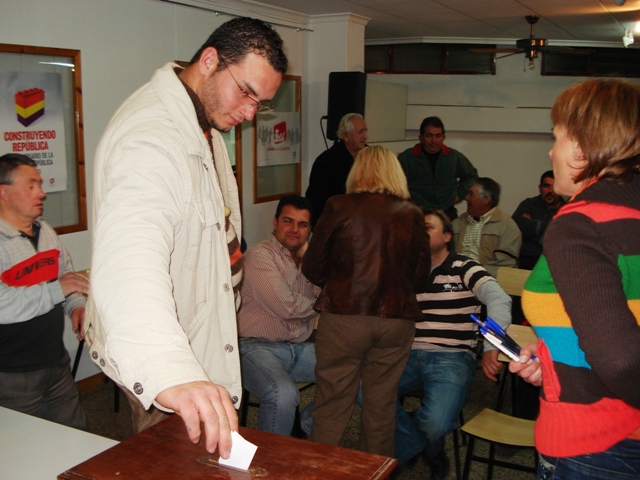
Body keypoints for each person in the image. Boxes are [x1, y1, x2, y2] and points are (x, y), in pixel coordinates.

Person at [85, 17, 288, 456]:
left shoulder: (203, 121)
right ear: (210, 60)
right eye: (247, 92)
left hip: (205, 326)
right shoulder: (150, 139)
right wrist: (172, 370)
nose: (251, 112)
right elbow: (128, 265)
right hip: (171, 348)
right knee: (175, 462)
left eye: (262, 102)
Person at [511, 79, 640, 479]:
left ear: (583, 146)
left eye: (557, 137)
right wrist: (555, 357)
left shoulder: (580, 223)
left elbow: (619, 360)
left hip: (595, 443)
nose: (551, 151)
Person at [302, 145, 430, 457]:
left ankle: (320, 473)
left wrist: (339, 284)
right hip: (397, 321)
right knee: (382, 406)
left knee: (333, 402)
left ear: (358, 171)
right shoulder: (413, 213)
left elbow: (313, 266)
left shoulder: (339, 206)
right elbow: (420, 276)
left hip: (345, 317)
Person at [394, 208, 511, 479]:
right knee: (364, 388)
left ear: (447, 236)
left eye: (427, 227)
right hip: (407, 355)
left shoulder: (464, 267)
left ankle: (422, 441)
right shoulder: (405, 271)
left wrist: (493, 346)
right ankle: (416, 446)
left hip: (452, 357)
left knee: (436, 423)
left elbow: (499, 300)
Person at [0, 153, 89, 430]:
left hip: (55, 363)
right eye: (31, 185)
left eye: (39, 183)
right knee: (20, 450)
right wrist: (58, 290)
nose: (42, 192)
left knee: (77, 438)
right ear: (3, 192)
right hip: (12, 375)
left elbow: (66, 276)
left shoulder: (45, 231)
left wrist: (75, 305)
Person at [237, 195, 320, 437]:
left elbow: (329, 290)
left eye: (303, 224)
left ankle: (300, 431)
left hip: (299, 346)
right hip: (255, 348)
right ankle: (272, 465)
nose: (295, 229)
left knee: (351, 374)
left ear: (310, 229)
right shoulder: (259, 256)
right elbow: (289, 308)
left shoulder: (309, 259)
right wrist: (322, 302)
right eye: (288, 221)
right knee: (283, 393)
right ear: (275, 223)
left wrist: (313, 265)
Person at [398, 116, 477, 220]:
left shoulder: (453, 156)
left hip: (447, 213)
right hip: (416, 214)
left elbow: (471, 176)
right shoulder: (407, 158)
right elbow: (394, 183)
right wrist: (408, 200)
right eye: (429, 136)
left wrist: (459, 194)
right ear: (421, 137)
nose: (434, 140)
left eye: (438, 136)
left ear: (443, 137)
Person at [305, 113, 368, 226]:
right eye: (360, 132)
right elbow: (316, 201)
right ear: (346, 136)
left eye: (365, 131)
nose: (365, 136)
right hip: (338, 226)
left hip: (366, 222)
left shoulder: (371, 156)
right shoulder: (326, 161)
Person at [452, 177, 521, 277]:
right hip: (455, 279)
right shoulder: (457, 223)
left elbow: (506, 265)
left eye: (471, 194)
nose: (466, 198)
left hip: (488, 281)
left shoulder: (508, 227)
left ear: (486, 199)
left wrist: (475, 271)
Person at [512, 170, 565, 270]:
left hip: (551, 266)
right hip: (522, 262)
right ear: (540, 188)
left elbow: (561, 238)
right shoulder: (528, 204)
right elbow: (514, 225)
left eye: (554, 186)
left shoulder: (567, 210)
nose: (550, 191)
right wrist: (549, 228)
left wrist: (531, 226)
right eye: (546, 186)